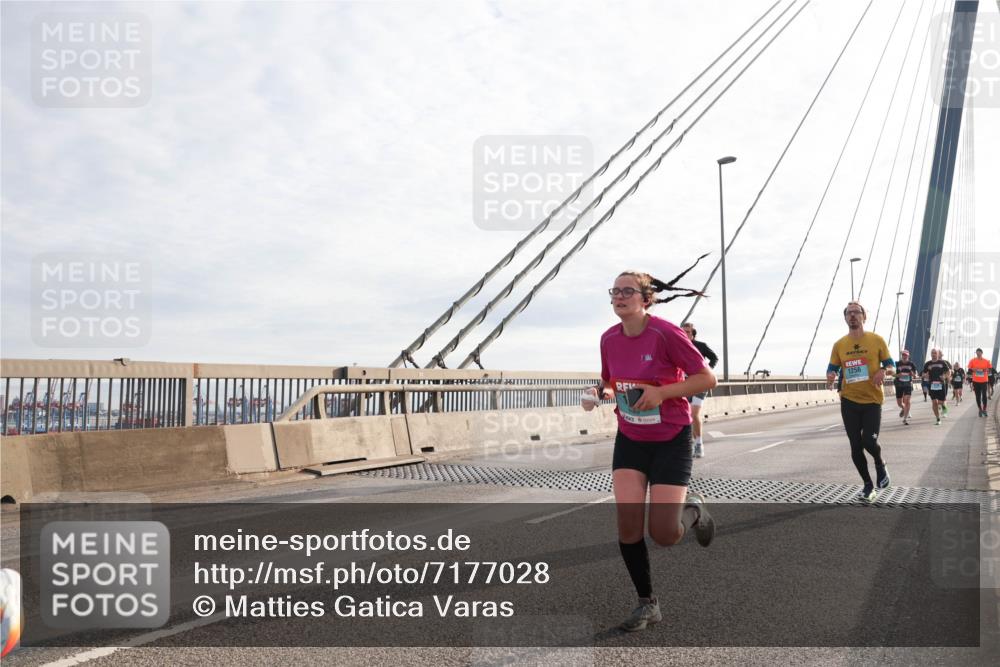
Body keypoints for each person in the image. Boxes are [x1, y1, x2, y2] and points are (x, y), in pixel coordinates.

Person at [582, 264, 717, 632]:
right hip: (631, 440)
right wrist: (600, 393)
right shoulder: (609, 338)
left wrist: (660, 393)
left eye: (627, 291)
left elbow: (707, 378)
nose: (620, 297)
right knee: (627, 526)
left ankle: (693, 512)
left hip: (671, 439)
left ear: (645, 298)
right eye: (615, 291)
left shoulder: (666, 333)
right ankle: (647, 603)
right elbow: (610, 379)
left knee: (664, 534)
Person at [826, 302, 893, 503]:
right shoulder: (839, 345)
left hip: (872, 400)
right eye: (849, 313)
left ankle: (880, 464)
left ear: (864, 317)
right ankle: (867, 485)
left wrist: (883, 370)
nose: (852, 315)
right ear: (845, 318)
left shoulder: (876, 340)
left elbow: (892, 366)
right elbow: (832, 369)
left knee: (869, 442)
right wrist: (830, 376)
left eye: (856, 312)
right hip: (849, 400)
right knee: (855, 446)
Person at [680, 322, 718, 458]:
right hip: (685, 384)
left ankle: (699, 444)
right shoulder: (679, 346)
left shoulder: (701, 346)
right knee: (687, 415)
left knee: (694, 413)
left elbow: (714, 358)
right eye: (683, 331)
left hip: (701, 383)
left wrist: (707, 372)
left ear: (693, 334)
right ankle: (691, 442)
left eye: (688, 332)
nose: (685, 334)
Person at [922, 348, 951, 426]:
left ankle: (943, 406)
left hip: (941, 384)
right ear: (931, 354)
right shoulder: (927, 364)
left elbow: (949, 372)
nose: (933, 354)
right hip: (932, 385)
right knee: (934, 402)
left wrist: (945, 376)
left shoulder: (942, 363)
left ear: (938, 354)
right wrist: (925, 375)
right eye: (932, 353)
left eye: (935, 353)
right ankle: (938, 419)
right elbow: (923, 374)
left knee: (941, 402)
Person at [893, 349, 918, 426]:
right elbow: (892, 373)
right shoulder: (897, 363)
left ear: (908, 356)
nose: (904, 356)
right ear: (901, 355)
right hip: (899, 384)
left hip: (907, 384)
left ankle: (905, 419)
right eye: (903, 355)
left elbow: (916, 376)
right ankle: (904, 408)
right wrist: (897, 375)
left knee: (907, 401)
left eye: (906, 355)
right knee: (899, 403)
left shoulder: (911, 364)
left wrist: (913, 374)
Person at [967, 348, 993, 418]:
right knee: (978, 396)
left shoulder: (986, 361)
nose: (978, 354)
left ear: (982, 353)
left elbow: (990, 370)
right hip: (975, 381)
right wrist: (973, 369)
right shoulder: (972, 360)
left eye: (979, 352)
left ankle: (984, 410)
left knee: (984, 395)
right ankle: (980, 409)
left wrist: (986, 370)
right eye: (977, 353)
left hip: (984, 381)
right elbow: (969, 369)